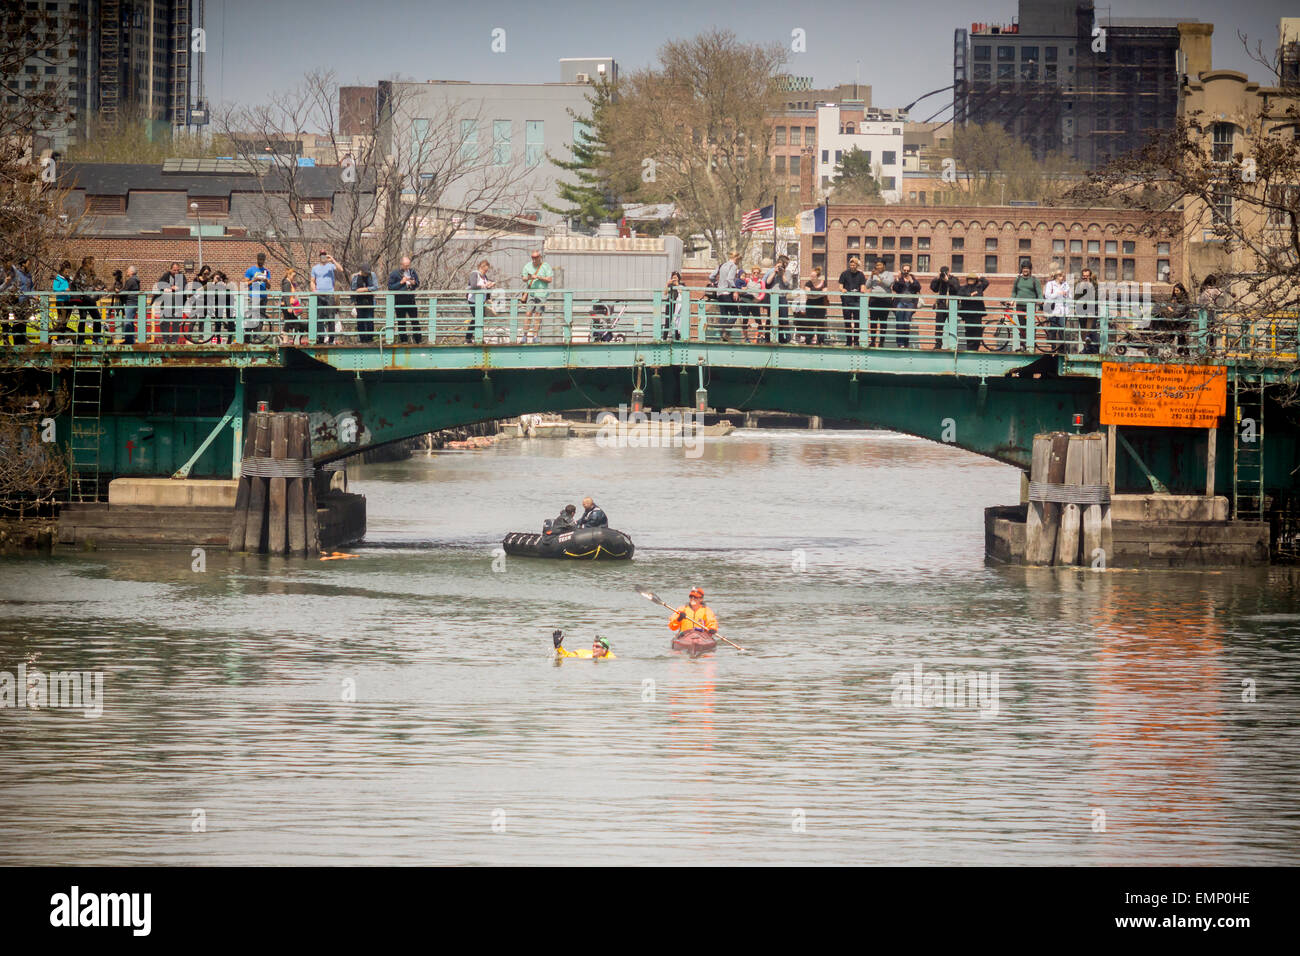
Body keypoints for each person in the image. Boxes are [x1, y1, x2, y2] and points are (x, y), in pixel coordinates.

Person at [520, 249, 553, 344]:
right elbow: (524, 278)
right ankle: (525, 335)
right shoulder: (527, 266)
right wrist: (530, 277)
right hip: (531, 293)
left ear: (540, 257)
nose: (534, 259)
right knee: (528, 313)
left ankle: (535, 336)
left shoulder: (546, 266)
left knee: (538, 315)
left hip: (541, 294)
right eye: (532, 257)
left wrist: (539, 277)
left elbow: (549, 279)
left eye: (536, 257)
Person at [388, 255, 420, 343]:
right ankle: (403, 340)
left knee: (414, 320)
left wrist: (413, 282)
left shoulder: (412, 272)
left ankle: (418, 339)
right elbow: (390, 287)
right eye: (406, 265)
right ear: (401, 264)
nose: (407, 267)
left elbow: (418, 283)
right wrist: (401, 282)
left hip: (411, 299)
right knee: (401, 321)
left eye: (408, 265)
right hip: (399, 300)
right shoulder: (394, 273)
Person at [310, 250, 340, 344]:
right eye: (321, 255)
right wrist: (314, 290)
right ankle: (321, 338)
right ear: (319, 257)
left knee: (331, 317)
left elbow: (341, 269)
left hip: (329, 294)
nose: (323, 257)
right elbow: (312, 281)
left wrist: (332, 259)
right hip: (319, 295)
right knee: (319, 317)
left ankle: (331, 339)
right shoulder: (315, 268)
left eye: (324, 255)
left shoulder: (331, 266)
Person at [955, 273, 990, 351]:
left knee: (977, 331)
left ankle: (975, 348)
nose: (971, 280)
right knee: (969, 330)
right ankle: (970, 347)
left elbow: (986, 283)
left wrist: (980, 277)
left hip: (977, 313)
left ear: (976, 280)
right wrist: (970, 295)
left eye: (973, 279)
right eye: (969, 279)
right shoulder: (963, 288)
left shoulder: (979, 287)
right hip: (967, 314)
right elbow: (960, 294)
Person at [838, 256, 867, 347]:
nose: (852, 266)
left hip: (857, 300)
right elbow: (840, 286)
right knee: (847, 321)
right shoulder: (844, 274)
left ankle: (857, 341)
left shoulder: (861, 275)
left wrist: (862, 290)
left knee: (857, 321)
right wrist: (842, 290)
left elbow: (863, 286)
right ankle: (849, 341)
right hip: (846, 300)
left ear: (857, 265)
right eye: (851, 265)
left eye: (854, 265)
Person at [714, 251, 742, 342]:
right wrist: (735, 290)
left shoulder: (722, 265)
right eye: (739, 260)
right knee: (735, 313)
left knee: (724, 315)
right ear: (736, 258)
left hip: (719, 293)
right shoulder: (733, 266)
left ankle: (722, 336)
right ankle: (725, 331)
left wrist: (715, 283)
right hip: (726, 292)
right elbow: (730, 279)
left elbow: (712, 276)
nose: (739, 262)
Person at [865, 260, 894, 348]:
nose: (878, 267)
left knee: (883, 321)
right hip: (874, 300)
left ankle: (881, 342)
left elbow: (888, 284)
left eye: (880, 265)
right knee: (873, 321)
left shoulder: (889, 274)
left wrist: (878, 276)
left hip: (885, 300)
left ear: (884, 266)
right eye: (876, 265)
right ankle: (872, 341)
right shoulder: (873, 275)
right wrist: (871, 276)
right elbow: (867, 286)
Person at [891, 265, 921, 349]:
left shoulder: (913, 279)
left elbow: (918, 288)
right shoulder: (899, 279)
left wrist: (912, 281)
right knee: (899, 323)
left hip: (910, 303)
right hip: (900, 303)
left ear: (910, 271)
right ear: (902, 270)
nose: (906, 272)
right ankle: (900, 343)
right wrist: (898, 280)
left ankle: (906, 342)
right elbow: (895, 289)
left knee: (906, 323)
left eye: (907, 270)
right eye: (904, 270)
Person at [929, 266, 959, 348]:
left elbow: (956, 289)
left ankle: (953, 344)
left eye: (946, 272)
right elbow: (933, 289)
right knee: (939, 326)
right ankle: (938, 344)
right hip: (941, 305)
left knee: (953, 326)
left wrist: (948, 281)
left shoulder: (954, 279)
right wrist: (936, 279)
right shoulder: (940, 280)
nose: (944, 274)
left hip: (951, 306)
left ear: (949, 272)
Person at [466, 260, 494, 344]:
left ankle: (478, 336)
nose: (485, 272)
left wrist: (490, 285)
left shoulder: (484, 276)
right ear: (480, 267)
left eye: (486, 270)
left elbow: (486, 286)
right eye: (484, 270)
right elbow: (473, 286)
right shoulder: (474, 274)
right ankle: (468, 337)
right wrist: (484, 285)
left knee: (480, 318)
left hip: (481, 300)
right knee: (477, 317)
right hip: (473, 300)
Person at [1043, 269, 1071, 352]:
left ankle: (1062, 348)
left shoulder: (1066, 285)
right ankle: (1053, 348)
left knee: (1062, 329)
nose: (1062, 278)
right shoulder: (1050, 284)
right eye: (1060, 276)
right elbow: (1048, 296)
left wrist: (1066, 295)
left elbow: (1070, 297)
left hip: (1063, 310)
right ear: (1056, 276)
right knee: (1053, 329)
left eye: (1063, 276)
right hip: (1053, 309)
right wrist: (1058, 293)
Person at [1074, 267, 1098, 354]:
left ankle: (1093, 349)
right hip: (1081, 309)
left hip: (1091, 309)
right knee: (1083, 330)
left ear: (1090, 276)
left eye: (1087, 276)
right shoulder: (1078, 284)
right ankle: (1086, 348)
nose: (1085, 278)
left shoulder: (1095, 284)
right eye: (1084, 276)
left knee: (1090, 329)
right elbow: (1075, 297)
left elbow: (1096, 297)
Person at [803, 266, 829, 345]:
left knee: (820, 322)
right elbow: (808, 294)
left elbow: (824, 293)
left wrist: (814, 295)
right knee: (810, 322)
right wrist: (819, 294)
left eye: (813, 276)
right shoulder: (808, 283)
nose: (811, 278)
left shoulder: (823, 283)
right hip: (810, 305)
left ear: (817, 277)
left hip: (820, 305)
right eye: (811, 276)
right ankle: (808, 339)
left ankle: (821, 340)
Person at [244, 253, 270, 330]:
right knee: (252, 316)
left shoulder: (266, 271)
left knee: (261, 317)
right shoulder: (250, 270)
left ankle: (257, 336)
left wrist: (266, 281)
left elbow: (269, 286)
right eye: (260, 260)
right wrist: (254, 280)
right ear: (257, 259)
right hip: (254, 296)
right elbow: (245, 284)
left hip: (263, 297)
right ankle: (248, 335)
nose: (261, 261)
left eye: (263, 260)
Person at [280, 267, 305, 345]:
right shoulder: (286, 282)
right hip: (287, 305)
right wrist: (289, 306)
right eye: (293, 276)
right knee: (294, 322)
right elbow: (286, 295)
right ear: (289, 275)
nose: (294, 278)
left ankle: (284, 338)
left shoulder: (289, 282)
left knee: (289, 322)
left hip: (289, 305)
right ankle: (284, 337)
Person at [662, 270, 685, 341]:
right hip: (670, 303)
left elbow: (682, 293)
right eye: (673, 277)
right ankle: (664, 338)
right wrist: (667, 284)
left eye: (676, 277)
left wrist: (677, 285)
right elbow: (665, 293)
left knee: (677, 322)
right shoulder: (670, 285)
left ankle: (677, 338)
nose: (674, 279)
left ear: (679, 278)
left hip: (677, 304)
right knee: (667, 321)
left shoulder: (682, 285)